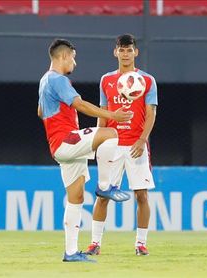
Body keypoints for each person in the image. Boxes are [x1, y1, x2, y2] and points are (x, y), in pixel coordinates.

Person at [38, 39, 133, 262]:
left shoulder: (45, 81)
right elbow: (79, 104)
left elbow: (41, 111)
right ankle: (104, 186)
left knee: (76, 197)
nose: (75, 62)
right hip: (66, 140)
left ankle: (70, 252)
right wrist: (111, 116)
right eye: (73, 57)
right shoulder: (58, 79)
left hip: (59, 146)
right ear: (63, 56)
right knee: (111, 134)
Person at [85, 34, 158, 256]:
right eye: (121, 50)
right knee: (103, 195)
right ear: (115, 52)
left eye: (129, 50)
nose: (125, 54)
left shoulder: (147, 80)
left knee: (142, 195)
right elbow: (103, 114)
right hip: (112, 145)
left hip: (136, 145)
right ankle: (95, 243)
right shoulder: (106, 80)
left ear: (136, 52)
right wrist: (98, 140)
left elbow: (151, 113)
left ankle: (141, 244)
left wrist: (142, 139)